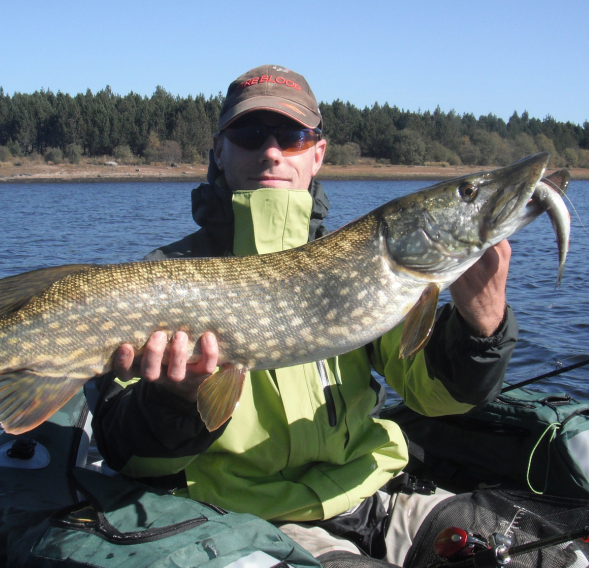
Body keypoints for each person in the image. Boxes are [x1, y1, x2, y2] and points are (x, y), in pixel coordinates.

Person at [91, 64, 517, 566]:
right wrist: (174, 401)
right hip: (248, 519)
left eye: (292, 135)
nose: (271, 151)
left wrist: (480, 326)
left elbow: (435, 396)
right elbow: (126, 452)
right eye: (249, 134)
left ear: (317, 155)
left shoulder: (365, 265)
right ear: (219, 152)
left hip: (374, 491)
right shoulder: (163, 276)